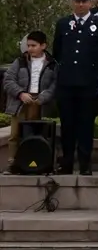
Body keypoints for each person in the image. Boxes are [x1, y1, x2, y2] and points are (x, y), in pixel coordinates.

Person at [53, 0, 98, 175]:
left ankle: (85, 164)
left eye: (84, 1)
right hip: (67, 84)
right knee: (67, 125)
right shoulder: (63, 24)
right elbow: (58, 52)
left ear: (91, 3)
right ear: (72, 2)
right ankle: (66, 162)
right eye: (77, 1)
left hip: (89, 83)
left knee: (86, 126)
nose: (80, 4)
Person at [4, 31, 57, 168]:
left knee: (36, 134)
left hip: (40, 102)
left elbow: (55, 85)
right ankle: (13, 163)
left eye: (33, 45)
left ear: (43, 45)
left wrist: (43, 97)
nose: (30, 49)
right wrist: (21, 93)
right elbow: (8, 80)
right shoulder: (20, 61)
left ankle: (36, 163)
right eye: (28, 45)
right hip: (21, 101)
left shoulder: (52, 64)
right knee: (15, 134)